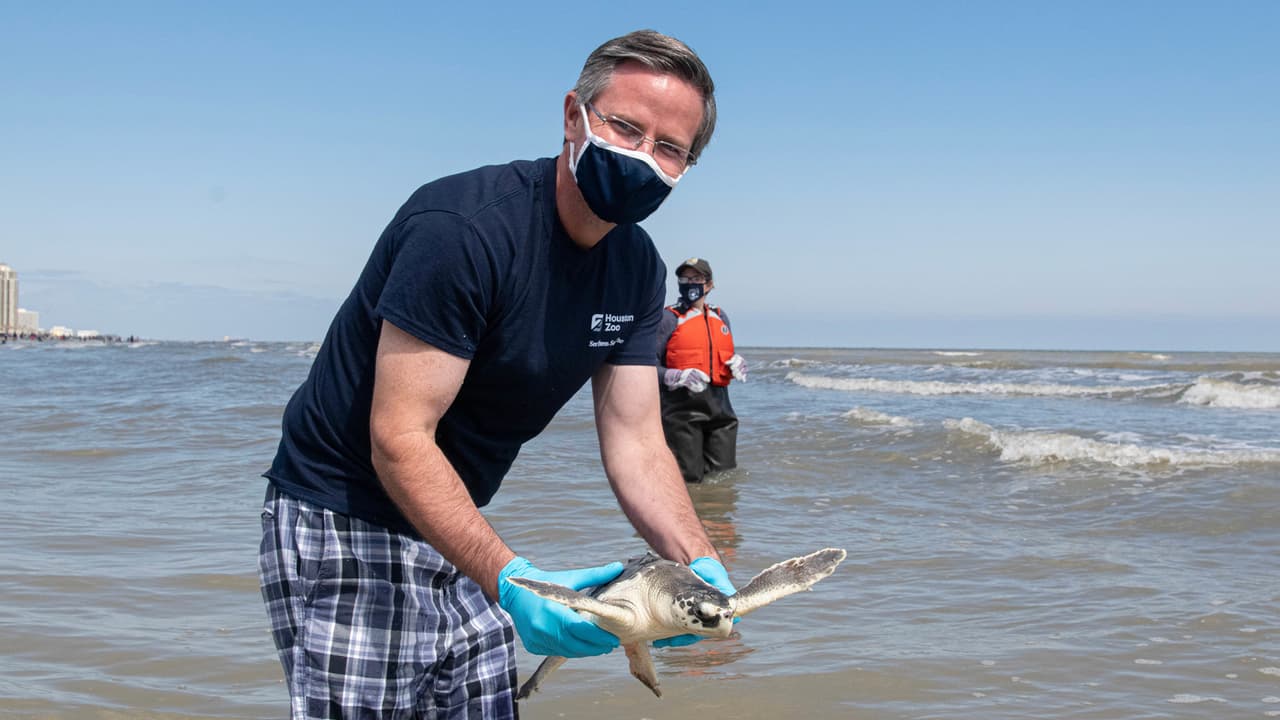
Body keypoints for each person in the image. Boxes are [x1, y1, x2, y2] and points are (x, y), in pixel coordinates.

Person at [257, 30, 736, 719]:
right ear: (574, 116)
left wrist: (699, 567)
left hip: (453, 513)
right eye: (625, 128)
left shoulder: (634, 268)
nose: (642, 158)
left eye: (669, 149)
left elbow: (636, 441)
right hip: (344, 510)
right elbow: (398, 437)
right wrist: (513, 582)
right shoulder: (464, 231)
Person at [657, 257, 747, 483]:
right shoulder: (669, 318)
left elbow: (720, 355)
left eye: (696, 278)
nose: (689, 284)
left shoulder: (720, 315)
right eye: (684, 279)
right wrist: (674, 375)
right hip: (682, 409)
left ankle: (716, 514)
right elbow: (647, 364)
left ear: (709, 284)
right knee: (687, 478)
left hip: (720, 407)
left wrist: (736, 363)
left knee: (723, 477)